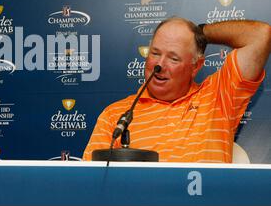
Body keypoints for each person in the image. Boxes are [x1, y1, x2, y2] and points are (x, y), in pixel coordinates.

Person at [83, 18, 271, 163]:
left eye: (174, 59)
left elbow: (261, 35)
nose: (159, 65)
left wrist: (200, 32)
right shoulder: (116, 115)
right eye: (155, 53)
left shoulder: (219, 96)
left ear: (195, 66)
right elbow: (90, 182)